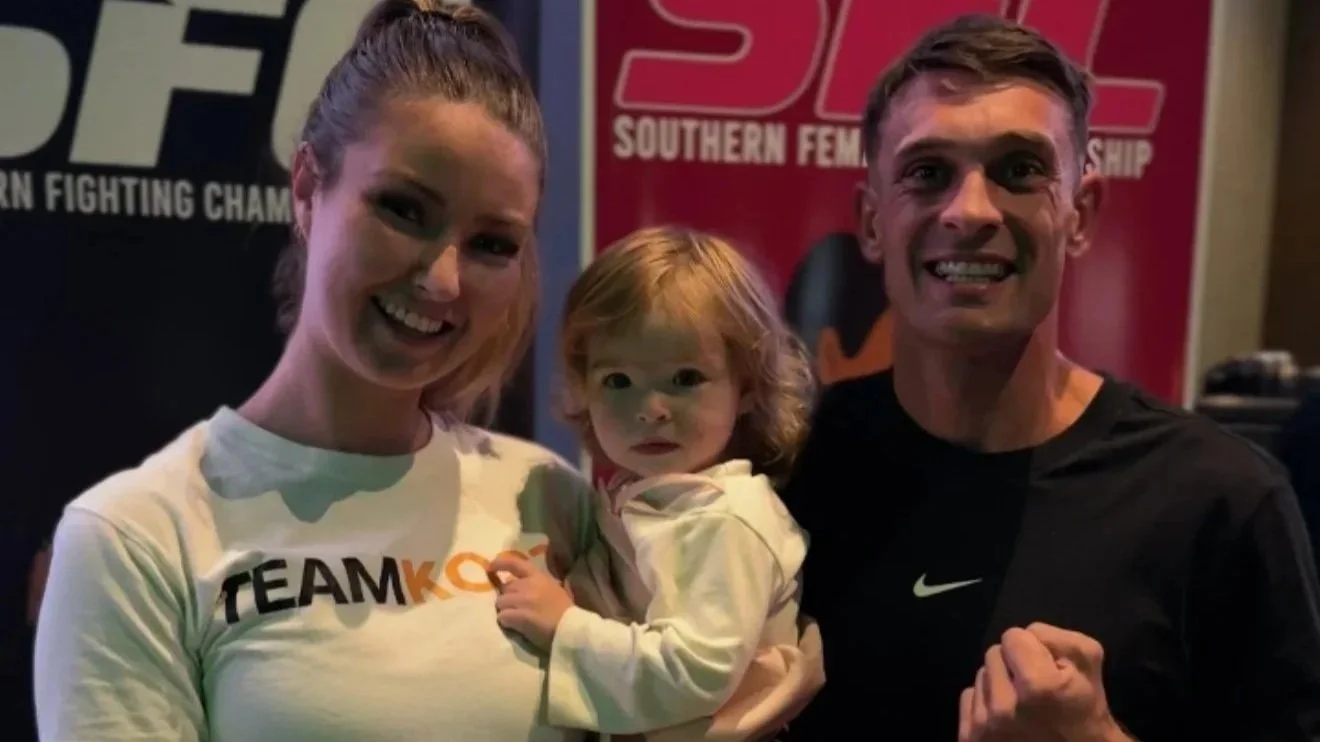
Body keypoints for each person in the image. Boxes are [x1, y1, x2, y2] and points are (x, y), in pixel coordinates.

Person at [33, 3, 599, 741]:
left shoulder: (549, 499)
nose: (443, 281)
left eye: (492, 244)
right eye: (402, 209)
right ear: (307, 187)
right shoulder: (135, 537)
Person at [780, 13, 1320, 742]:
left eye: (1019, 170)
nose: (970, 211)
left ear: (1081, 213)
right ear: (873, 221)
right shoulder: (784, 470)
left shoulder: (1220, 502)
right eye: (927, 172)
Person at [489, 226, 824, 740]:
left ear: (749, 388)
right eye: (617, 381)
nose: (650, 410)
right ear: (584, 391)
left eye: (686, 378)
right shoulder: (649, 501)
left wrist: (564, 625)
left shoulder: (728, 517)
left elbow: (696, 672)